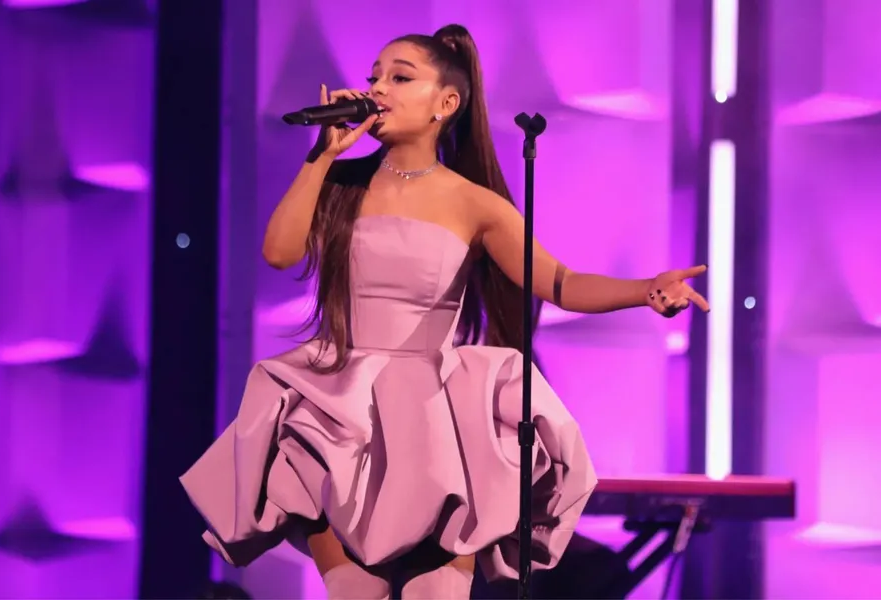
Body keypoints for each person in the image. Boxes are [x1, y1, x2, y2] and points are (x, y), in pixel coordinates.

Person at [181, 23, 710, 600]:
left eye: (400, 77)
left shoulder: (475, 203)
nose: (378, 89)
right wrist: (321, 157)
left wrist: (646, 289)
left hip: (435, 419)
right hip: (340, 413)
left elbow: (561, 283)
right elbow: (279, 252)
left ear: (446, 103)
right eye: (375, 77)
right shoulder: (339, 183)